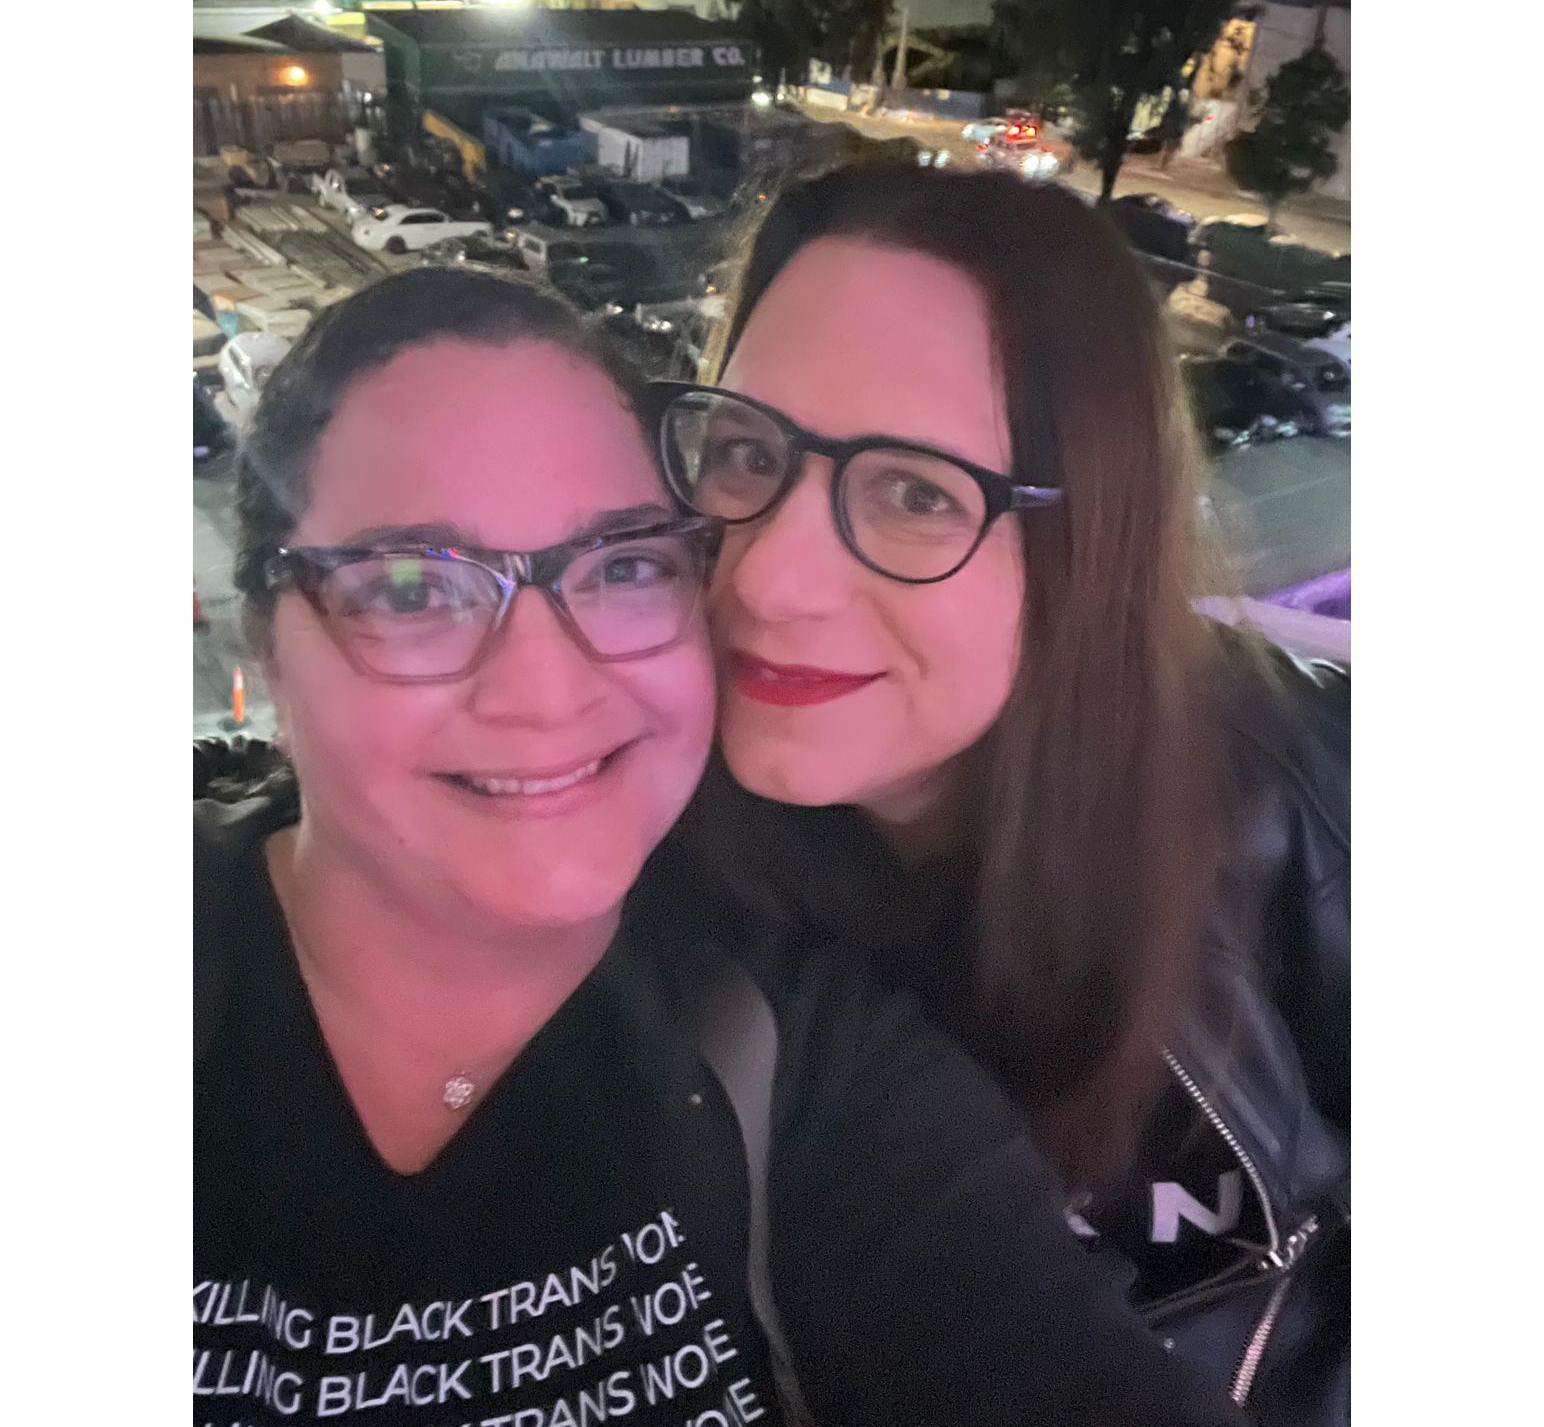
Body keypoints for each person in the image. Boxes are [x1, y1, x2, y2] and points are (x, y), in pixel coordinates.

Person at [194, 266, 1248, 1427]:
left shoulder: (808, 1066)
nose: (546, 690)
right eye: (408, 587)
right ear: (266, 647)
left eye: (625, 566)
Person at [640, 165, 1350, 1427]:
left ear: (1086, 549)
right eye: (746, 451)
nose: (769, 578)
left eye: (915, 490)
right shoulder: (653, 893)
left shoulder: (1309, 816)